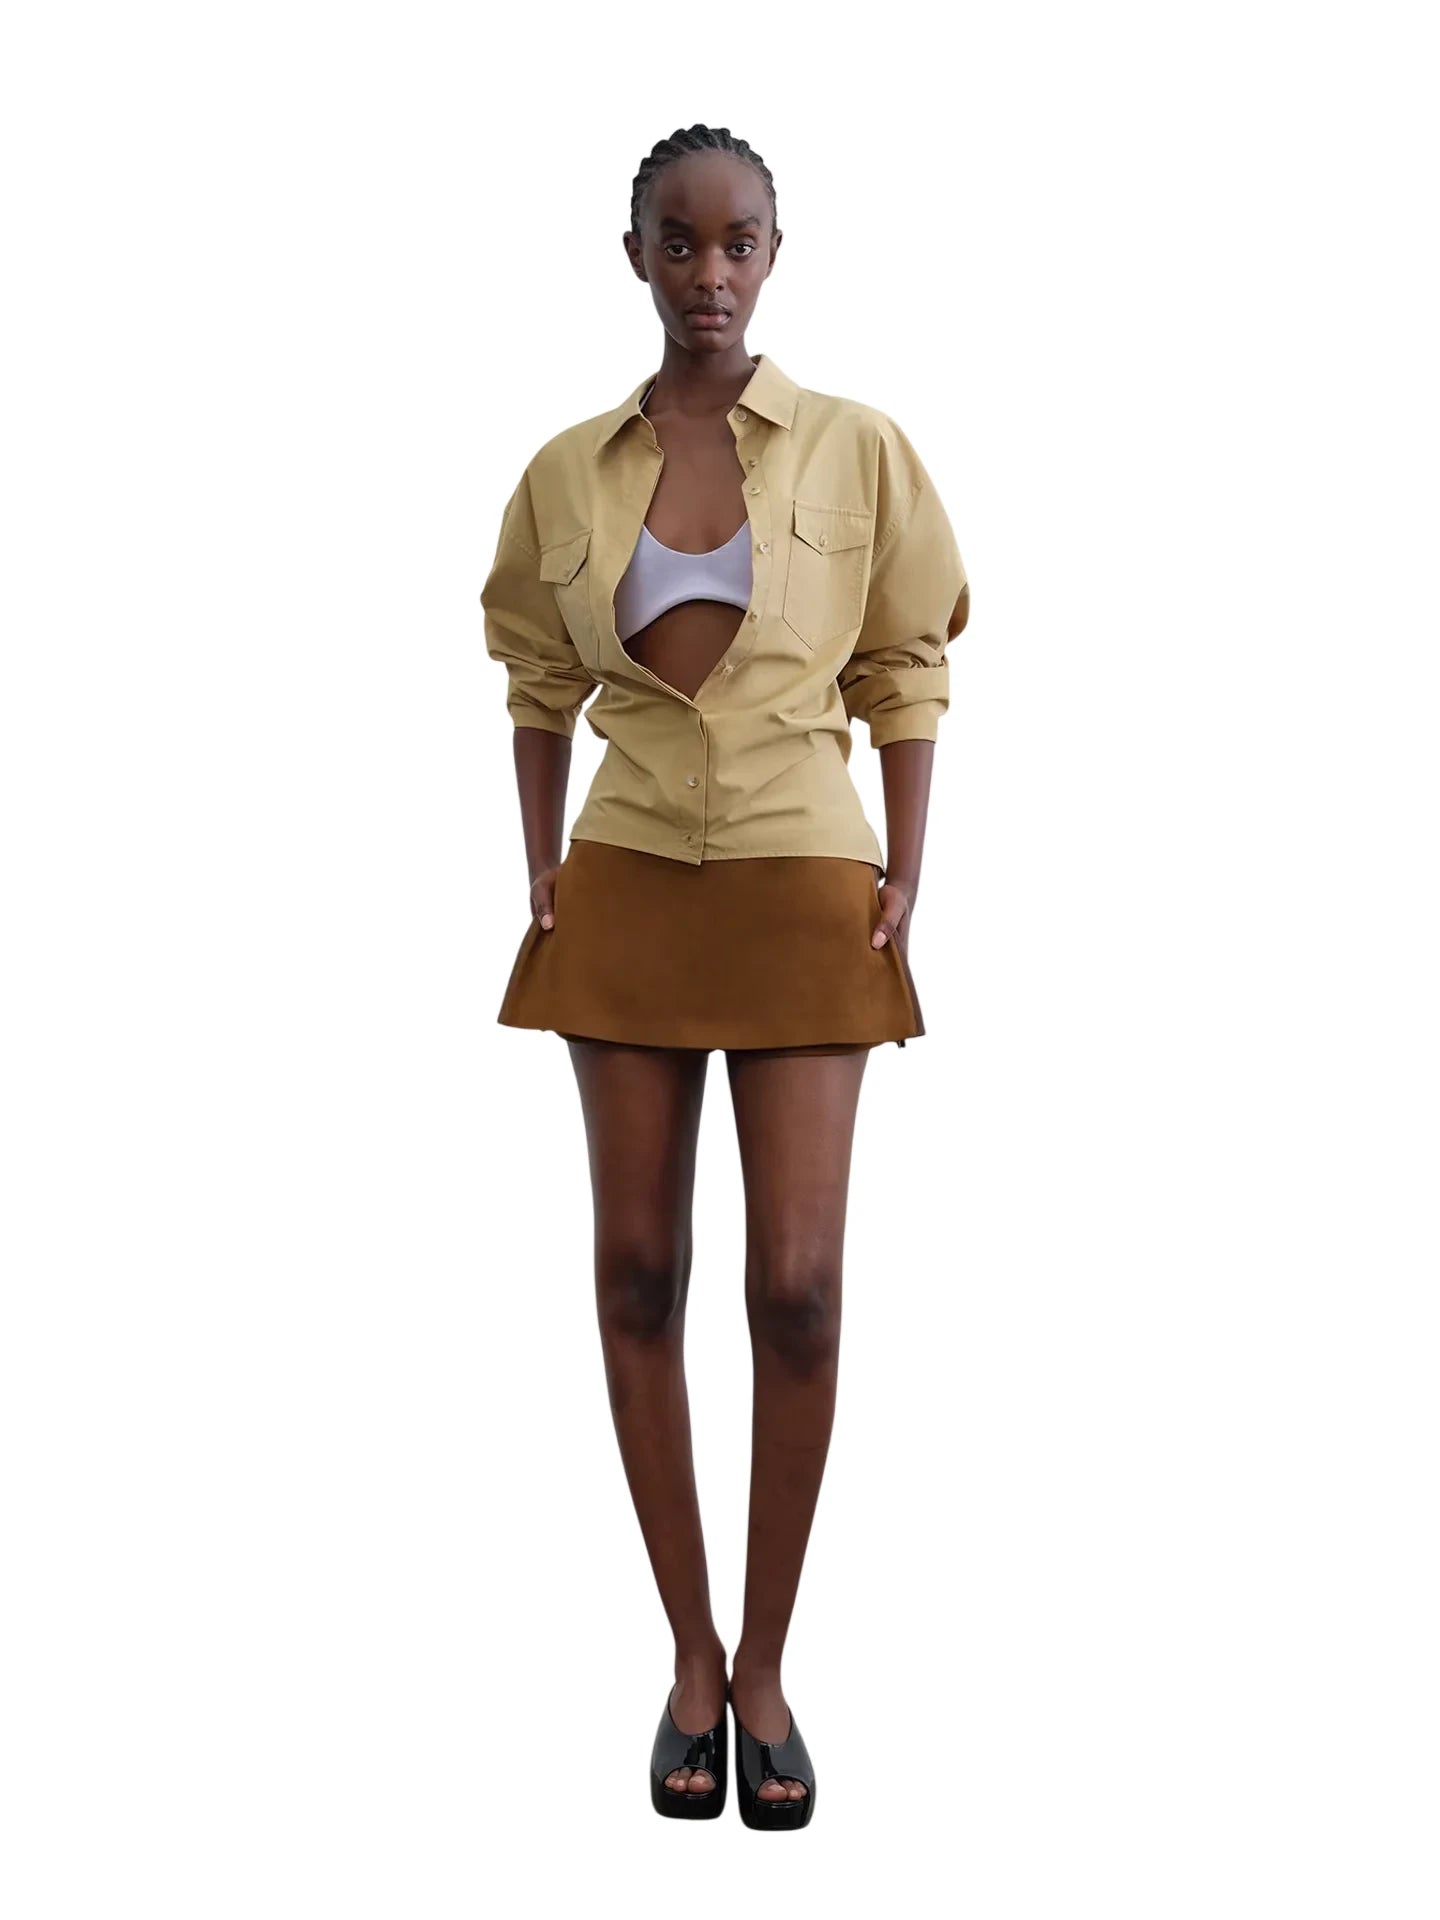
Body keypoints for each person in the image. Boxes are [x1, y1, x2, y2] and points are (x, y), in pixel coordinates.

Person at [480, 123, 969, 1829]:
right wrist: (536, 861)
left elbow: (906, 658)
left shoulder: (856, 449)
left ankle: (770, 1663)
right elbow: (533, 678)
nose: (709, 273)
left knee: (800, 1286)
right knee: (636, 1272)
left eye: (737, 240)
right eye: (678, 242)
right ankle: (691, 1658)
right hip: (622, 878)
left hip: (802, 878)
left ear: (775, 250)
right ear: (635, 255)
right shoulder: (566, 471)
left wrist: (911, 863)